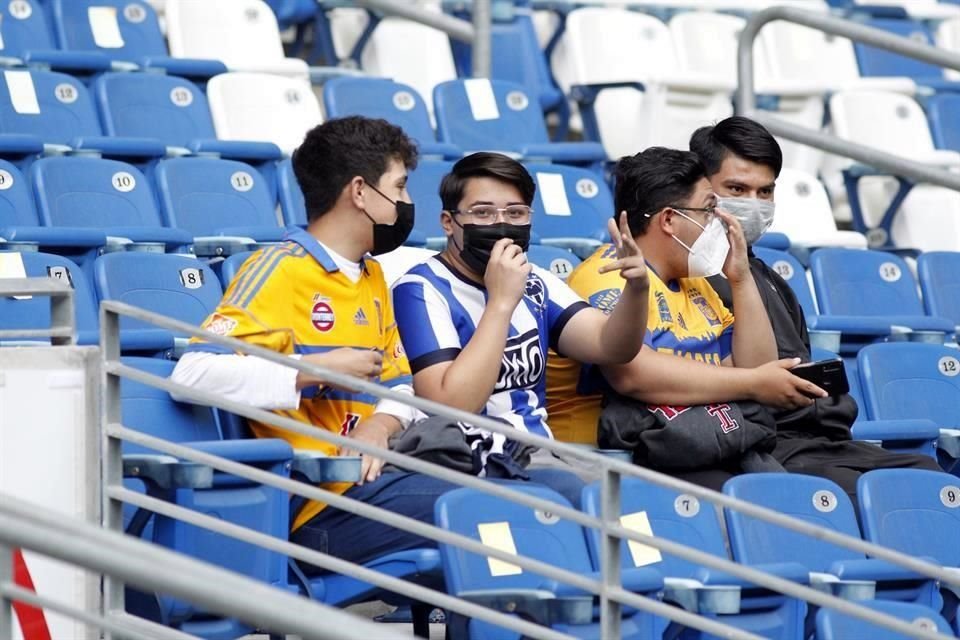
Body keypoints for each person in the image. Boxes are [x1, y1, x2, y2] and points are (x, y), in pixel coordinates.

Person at [171, 116, 457, 567]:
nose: (406, 202)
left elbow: (401, 383)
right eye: (400, 188)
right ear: (360, 192)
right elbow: (192, 373)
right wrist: (314, 370)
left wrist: (377, 429)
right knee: (478, 508)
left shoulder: (373, 273)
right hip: (318, 508)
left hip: (378, 480)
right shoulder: (279, 270)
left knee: (511, 499)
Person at [546, 146, 831, 489]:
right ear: (669, 220)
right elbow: (635, 376)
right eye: (710, 209)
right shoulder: (609, 274)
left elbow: (758, 364)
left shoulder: (696, 282)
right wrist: (748, 381)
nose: (721, 221)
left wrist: (740, 279)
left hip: (696, 441)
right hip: (608, 455)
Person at [690, 116, 940, 499]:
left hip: (820, 440)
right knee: (887, 494)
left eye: (765, 192)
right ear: (703, 190)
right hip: (761, 445)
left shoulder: (771, 278)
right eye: (737, 189)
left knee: (930, 474)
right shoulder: (689, 275)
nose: (753, 205)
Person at [391, 152, 650, 501]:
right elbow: (450, 404)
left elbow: (611, 346)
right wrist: (500, 302)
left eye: (515, 213)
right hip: (473, 464)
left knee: (643, 499)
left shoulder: (536, 281)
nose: (501, 225)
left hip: (541, 453)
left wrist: (637, 290)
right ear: (448, 222)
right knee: (592, 503)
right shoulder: (420, 289)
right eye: (482, 213)